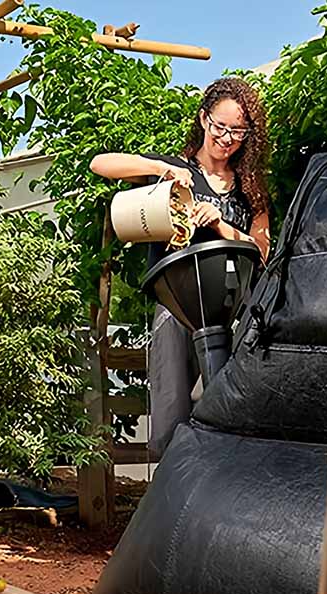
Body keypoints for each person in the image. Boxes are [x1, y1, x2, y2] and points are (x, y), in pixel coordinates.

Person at [89, 77, 271, 459]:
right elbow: (100, 164)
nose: (227, 138)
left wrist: (219, 223)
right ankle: (175, 492)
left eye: (238, 131)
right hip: (177, 305)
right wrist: (159, 168)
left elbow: (262, 250)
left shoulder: (250, 189)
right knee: (172, 409)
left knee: (232, 407)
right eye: (220, 126)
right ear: (204, 120)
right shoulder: (174, 171)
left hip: (233, 309)